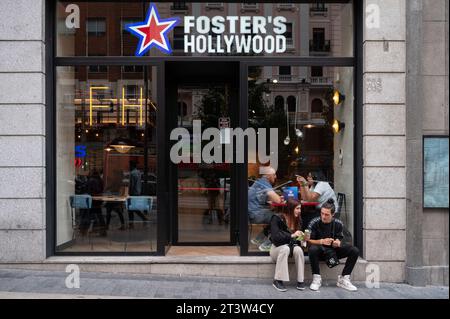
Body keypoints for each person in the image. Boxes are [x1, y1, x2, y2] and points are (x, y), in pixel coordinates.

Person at [306, 199, 359, 292]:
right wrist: (321, 241)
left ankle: (344, 278)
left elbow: (342, 238)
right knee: (312, 249)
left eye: (326, 214)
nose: (323, 216)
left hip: (333, 251)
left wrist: (338, 242)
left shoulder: (338, 223)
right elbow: (308, 241)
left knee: (354, 250)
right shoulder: (314, 222)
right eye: (322, 213)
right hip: (319, 252)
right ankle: (316, 279)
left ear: (333, 214)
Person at [269, 199, 305, 292]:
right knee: (285, 248)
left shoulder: (298, 219)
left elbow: (297, 241)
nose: (299, 211)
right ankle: (278, 280)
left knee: (299, 250)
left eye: (300, 208)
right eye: (297, 208)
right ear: (290, 208)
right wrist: (292, 235)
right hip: (276, 249)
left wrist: (302, 238)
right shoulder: (277, 218)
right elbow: (275, 237)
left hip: (290, 247)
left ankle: (300, 280)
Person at [248, 166, 283, 251]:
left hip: (251, 213)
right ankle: (267, 244)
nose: (275, 177)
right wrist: (279, 198)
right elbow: (277, 200)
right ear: (268, 176)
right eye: (274, 175)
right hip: (255, 214)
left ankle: (259, 239)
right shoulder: (264, 183)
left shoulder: (259, 182)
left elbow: (261, 198)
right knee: (281, 218)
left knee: (274, 216)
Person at [127, 161, 149, 229]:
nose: (129, 167)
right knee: (132, 208)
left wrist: (129, 193)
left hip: (133, 193)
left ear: (132, 166)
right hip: (137, 192)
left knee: (130, 208)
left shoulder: (132, 173)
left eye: (130, 166)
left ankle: (132, 223)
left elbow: (132, 184)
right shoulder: (138, 172)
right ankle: (140, 219)